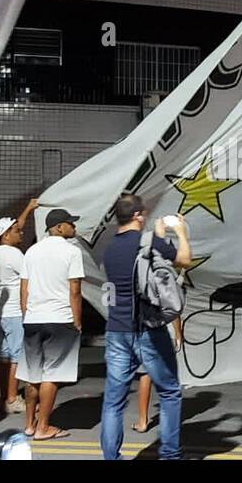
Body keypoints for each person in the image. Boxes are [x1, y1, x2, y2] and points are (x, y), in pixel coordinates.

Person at [100, 194, 192, 460]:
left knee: (113, 401)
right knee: (170, 391)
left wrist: (158, 237)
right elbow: (184, 260)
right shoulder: (150, 242)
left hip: (116, 330)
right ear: (139, 215)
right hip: (147, 329)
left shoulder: (109, 247)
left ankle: (111, 457)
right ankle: (169, 455)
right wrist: (180, 233)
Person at [18, 208, 84, 441]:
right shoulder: (72, 252)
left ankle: (29, 424)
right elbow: (74, 290)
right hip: (60, 318)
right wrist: (77, 321)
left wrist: (27, 313)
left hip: (33, 318)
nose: (74, 227)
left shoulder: (32, 251)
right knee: (51, 375)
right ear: (59, 227)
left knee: (32, 374)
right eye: (70, 224)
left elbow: (23, 288)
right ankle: (43, 427)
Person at [0, 201, 38, 414]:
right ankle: (12, 398)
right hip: (14, 310)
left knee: (5, 355)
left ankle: (3, 397)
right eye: (16, 231)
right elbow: (31, 277)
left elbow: (17, 224)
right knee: (17, 356)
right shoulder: (14, 255)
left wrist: (28, 209)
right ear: (6, 235)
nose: (21, 232)